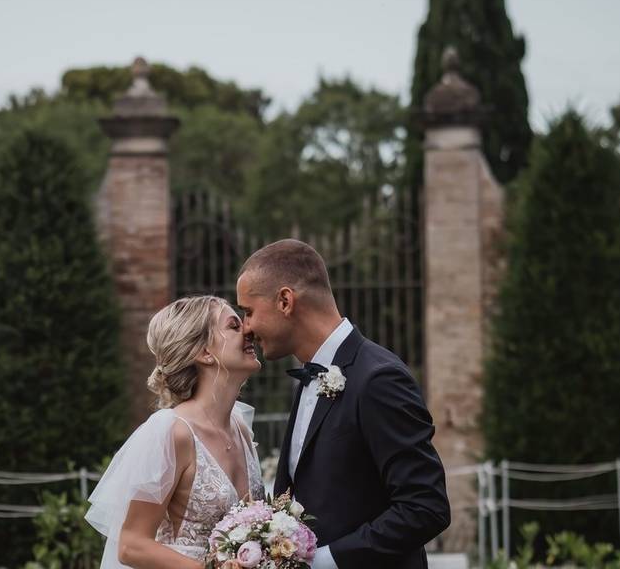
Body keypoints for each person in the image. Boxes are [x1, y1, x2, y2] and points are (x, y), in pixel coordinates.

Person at [236, 239, 451, 569]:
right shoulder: (308, 379)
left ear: (284, 301)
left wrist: (324, 562)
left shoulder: (378, 379)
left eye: (248, 312)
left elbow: (424, 506)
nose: (246, 328)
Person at [86, 295, 264, 568]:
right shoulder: (172, 431)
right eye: (234, 326)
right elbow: (131, 545)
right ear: (205, 352)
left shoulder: (240, 427)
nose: (249, 331)